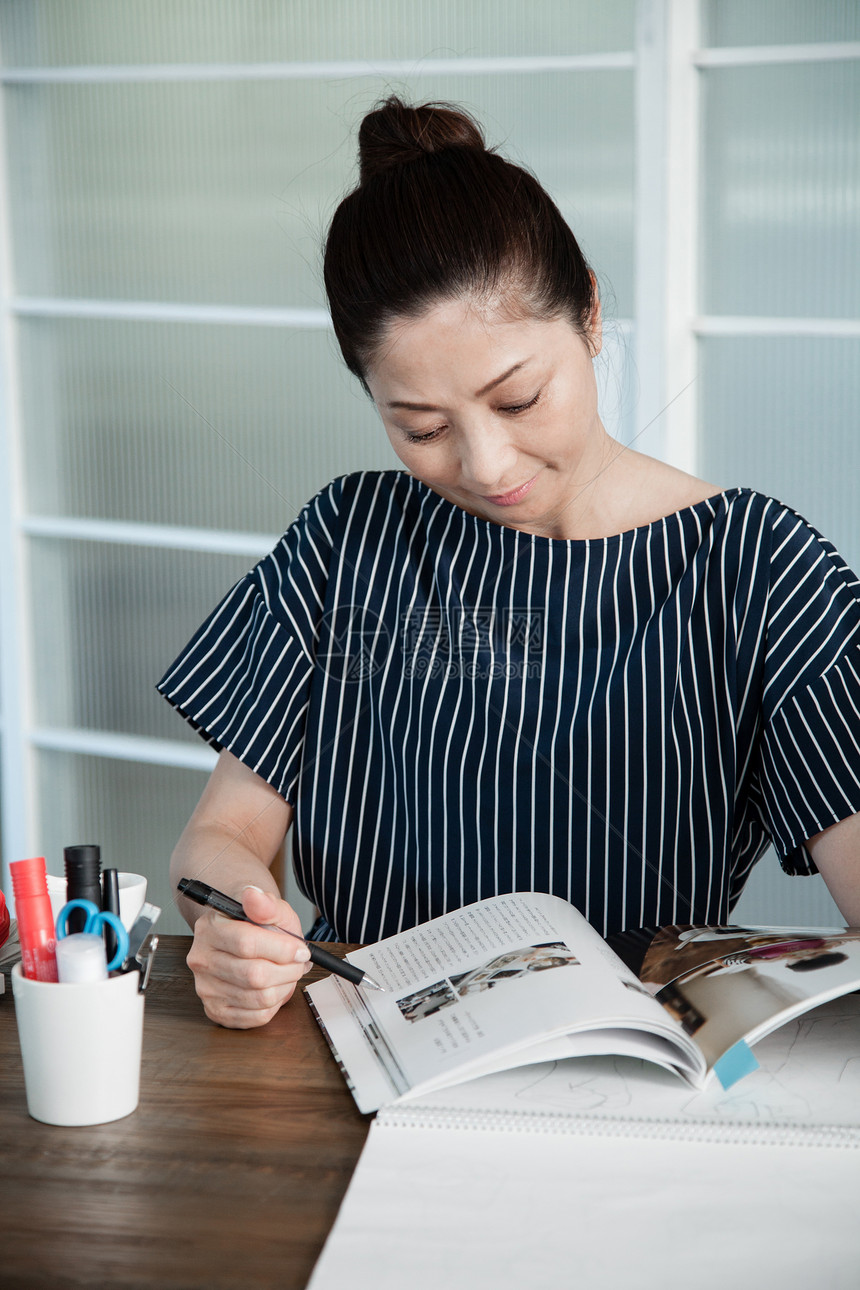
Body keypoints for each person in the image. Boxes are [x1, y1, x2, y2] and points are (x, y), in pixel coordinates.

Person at [158, 96, 860, 1029]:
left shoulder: (761, 568)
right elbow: (225, 832)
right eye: (423, 428)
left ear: (593, 316)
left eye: (519, 399)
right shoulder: (347, 537)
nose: (485, 467)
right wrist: (234, 918)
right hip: (363, 1054)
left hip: (633, 1080)